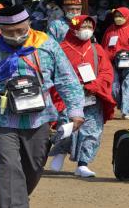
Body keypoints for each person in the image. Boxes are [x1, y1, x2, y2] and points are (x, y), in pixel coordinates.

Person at [0, 5, 85, 208]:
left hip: (39, 118)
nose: (16, 36)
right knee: (8, 168)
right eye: (9, 33)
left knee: (34, 167)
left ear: (29, 23)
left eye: (21, 30)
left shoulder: (47, 44)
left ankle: (17, 198)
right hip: (1, 119)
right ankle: (15, 203)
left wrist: (75, 110)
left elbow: (66, 79)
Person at [50, 15, 116, 177]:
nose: (86, 30)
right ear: (73, 28)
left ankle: (83, 164)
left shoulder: (97, 49)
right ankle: (61, 151)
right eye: (82, 26)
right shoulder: (61, 49)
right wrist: (71, 88)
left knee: (92, 130)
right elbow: (53, 73)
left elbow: (106, 72)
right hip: (67, 97)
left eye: (89, 27)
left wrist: (93, 86)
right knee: (67, 126)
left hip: (93, 96)